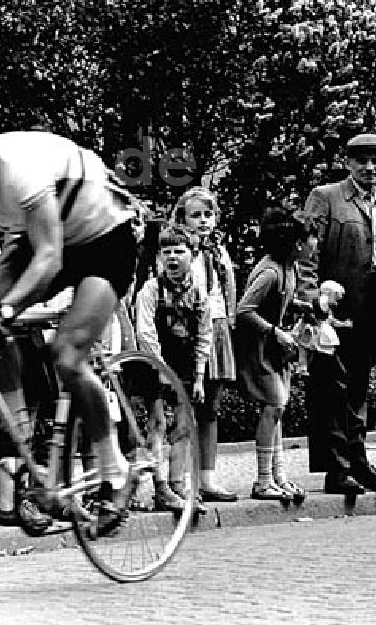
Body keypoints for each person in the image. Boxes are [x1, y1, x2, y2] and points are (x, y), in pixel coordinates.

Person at [0, 102, 140, 530]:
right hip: (42, 240)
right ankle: (21, 446)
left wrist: (10, 308)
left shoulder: (19, 167)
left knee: (68, 357)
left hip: (103, 240)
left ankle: (116, 470)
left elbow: (50, 260)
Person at [298, 132, 376, 495]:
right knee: (332, 388)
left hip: (369, 310)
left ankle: (358, 460)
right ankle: (337, 468)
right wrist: (313, 300)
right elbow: (307, 254)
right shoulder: (326, 197)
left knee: (358, 386)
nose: (370, 168)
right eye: (363, 161)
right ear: (348, 162)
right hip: (334, 309)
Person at [235, 208, 312, 502]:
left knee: (278, 408)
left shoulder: (288, 268)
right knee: (273, 405)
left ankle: (278, 476)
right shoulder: (270, 272)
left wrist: (304, 308)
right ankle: (263, 479)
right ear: (297, 244)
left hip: (273, 351)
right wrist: (274, 332)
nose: (314, 245)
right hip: (259, 351)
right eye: (310, 240)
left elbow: (284, 301)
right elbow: (244, 310)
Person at [134, 225, 210, 514]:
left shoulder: (199, 292)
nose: (173, 258)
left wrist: (200, 375)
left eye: (180, 251)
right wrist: (161, 369)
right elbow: (146, 333)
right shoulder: (151, 290)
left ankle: (179, 484)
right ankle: (160, 485)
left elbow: (204, 335)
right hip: (154, 364)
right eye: (167, 252)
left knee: (182, 425)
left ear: (192, 255)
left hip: (185, 363)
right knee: (158, 425)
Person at [171, 186, 238, 503]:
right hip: (188, 329)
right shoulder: (178, 250)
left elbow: (229, 290)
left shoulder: (218, 252)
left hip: (217, 325)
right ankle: (178, 479)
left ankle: (207, 478)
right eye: (195, 215)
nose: (202, 221)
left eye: (208, 214)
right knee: (184, 408)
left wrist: (229, 322)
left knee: (211, 408)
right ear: (182, 219)